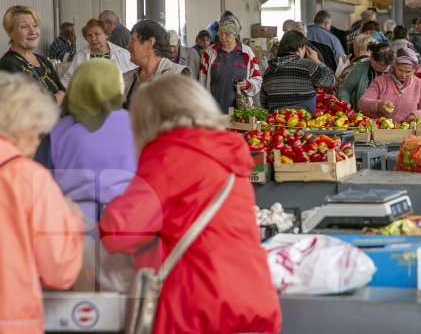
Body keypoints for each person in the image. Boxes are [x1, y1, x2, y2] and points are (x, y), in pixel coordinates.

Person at [99, 75, 281, 334]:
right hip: (253, 294)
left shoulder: (167, 155)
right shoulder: (229, 152)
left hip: (198, 305)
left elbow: (120, 233)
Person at [0, 72, 83, 333]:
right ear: (21, 126)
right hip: (12, 319)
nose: (38, 142)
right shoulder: (29, 178)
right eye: (37, 132)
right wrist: (73, 224)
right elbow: (59, 270)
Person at [37, 58, 136, 221]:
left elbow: (42, 187)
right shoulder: (136, 124)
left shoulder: (56, 132)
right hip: (129, 224)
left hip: (75, 226)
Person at [0, 5, 65, 103]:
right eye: (24, 26)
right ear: (10, 32)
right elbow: (29, 106)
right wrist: (57, 98)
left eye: (35, 25)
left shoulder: (44, 61)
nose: (33, 31)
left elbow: (64, 92)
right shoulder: (8, 64)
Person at [261, 30, 336, 112]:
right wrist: (317, 60)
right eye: (304, 48)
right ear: (300, 48)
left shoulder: (269, 70)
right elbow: (331, 81)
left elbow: (264, 103)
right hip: (302, 121)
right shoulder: (307, 65)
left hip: (276, 121)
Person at [123, 20, 192, 108]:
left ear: (150, 43)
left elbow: (187, 116)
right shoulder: (128, 78)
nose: (128, 46)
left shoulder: (178, 75)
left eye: (132, 39)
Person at [200, 14, 262, 111]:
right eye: (221, 33)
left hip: (240, 112)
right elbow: (202, 82)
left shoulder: (247, 53)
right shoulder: (209, 53)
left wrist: (247, 84)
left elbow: (258, 80)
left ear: (235, 34)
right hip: (214, 111)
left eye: (228, 34)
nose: (223, 37)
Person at [359, 47, 421, 122]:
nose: (403, 75)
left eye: (408, 72)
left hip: (409, 131)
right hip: (382, 130)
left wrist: (415, 115)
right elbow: (362, 103)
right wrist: (378, 104)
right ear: (394, 66)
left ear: (414, 70)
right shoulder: (380, 82)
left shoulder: (420, 86)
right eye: (400, 70)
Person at [63, 18, 135, 87]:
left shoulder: (122, 54)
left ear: (106, 35)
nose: (93, 39)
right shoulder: (81, 55)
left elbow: (135, 75)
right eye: (89, 35)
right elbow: (67, 79)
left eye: (97, 34)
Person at [339, 42, 394, 110]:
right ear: (372, 58)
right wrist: (345, 105)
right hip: (361, 116)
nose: (386, 68)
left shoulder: (394, 71)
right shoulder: (360, 67)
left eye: (388, 64)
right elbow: (346, 89)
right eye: (382, 64)